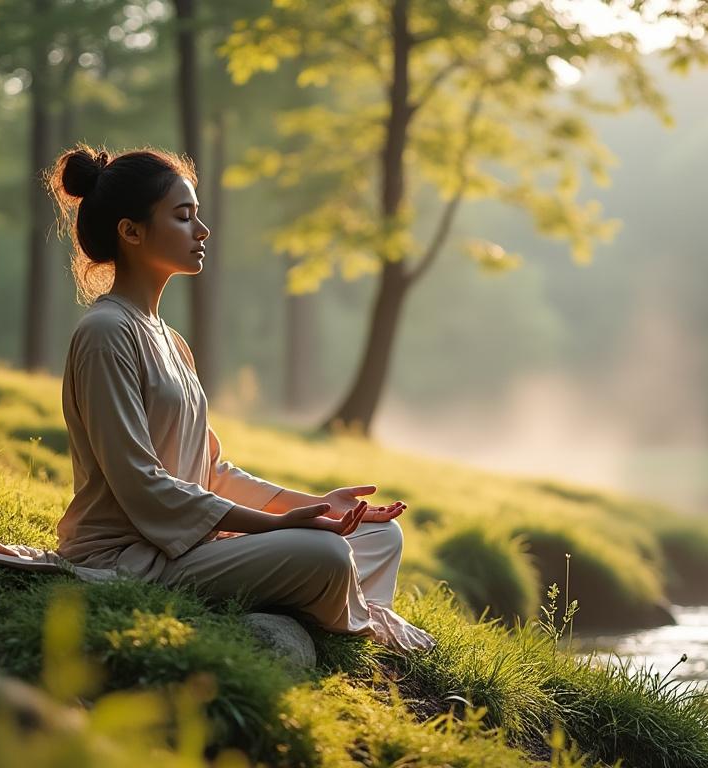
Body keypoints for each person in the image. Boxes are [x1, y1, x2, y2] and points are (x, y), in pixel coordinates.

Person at [45, 143, 435, 653]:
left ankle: (337, 603)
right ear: (131, 231)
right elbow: (141, 485)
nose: (202, 231)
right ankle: (348, 611)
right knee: (328, 556)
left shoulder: (169, 338)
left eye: (198, 216)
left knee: (380, 538)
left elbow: (213, 471)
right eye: (183, 217)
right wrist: (276, 525)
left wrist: (316, 505)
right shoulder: (105, 333)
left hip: (192, 544)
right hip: (134, 558)